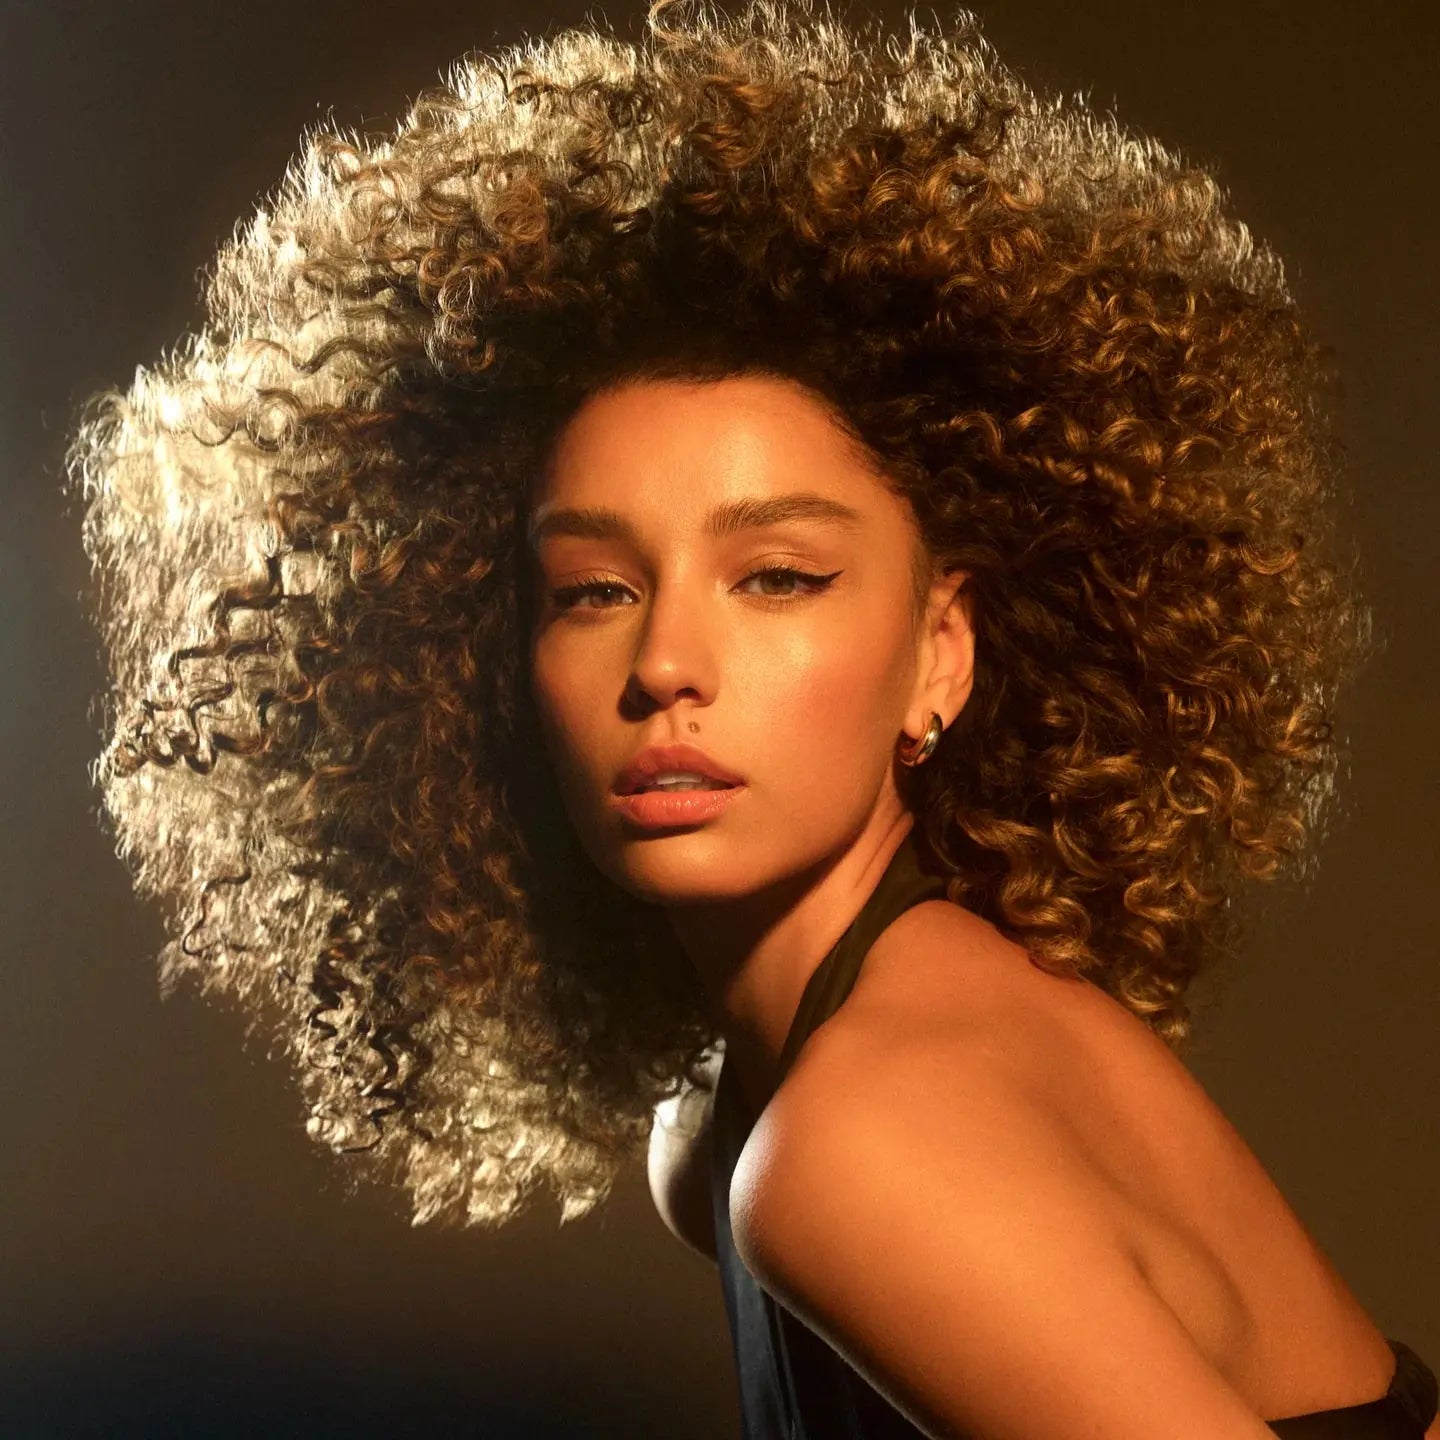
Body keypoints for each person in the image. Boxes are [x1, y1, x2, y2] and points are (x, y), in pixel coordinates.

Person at [64, 0, 1436, 1434]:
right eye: (593, 591)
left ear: (942, 655)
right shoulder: (750, 1112)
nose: (665, 662)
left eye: (778, 576)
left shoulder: (858, 1144)